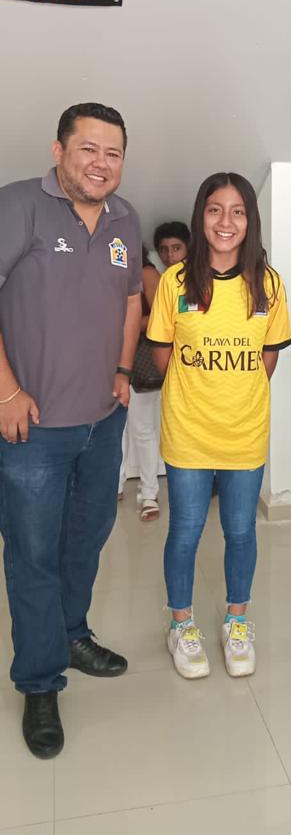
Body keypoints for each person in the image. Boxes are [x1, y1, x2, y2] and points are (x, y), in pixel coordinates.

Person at [0, 102, 142, 758]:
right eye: (88, 149)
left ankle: (70, 633)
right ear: (59, 150)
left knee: (86, 539)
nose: (100, 164)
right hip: (33, 428)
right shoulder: (18, 205)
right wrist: (7, 391)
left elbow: (131, 299)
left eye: (113, 153)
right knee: (33, 553)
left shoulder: (125, 218)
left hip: (102, 422)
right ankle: (38, 679)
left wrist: (122, 369)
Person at [147, 172, 291, 679]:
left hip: (244, 432)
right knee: (185, 531)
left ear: (250, 220)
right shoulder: (175, 281)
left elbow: (268, 357)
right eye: (214, 209)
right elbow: (163, 354)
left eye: (237, 211)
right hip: (187, 431)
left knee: (241, 530)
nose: (225, 221)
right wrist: (199, 390)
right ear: (200, 216)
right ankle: (182, 625)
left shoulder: (268, 284)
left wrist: (234, 393)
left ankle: (237, 620)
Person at [118, 245, 161, 520]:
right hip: (107, 359)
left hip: (141, 362)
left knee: (142, 429)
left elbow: (161, 315)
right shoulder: (105, 271)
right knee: (115, 429)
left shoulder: (146, 273)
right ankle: (115, 485)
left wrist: (127, 325)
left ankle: (149, 494)